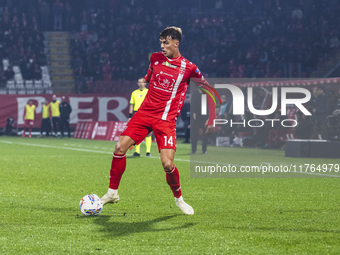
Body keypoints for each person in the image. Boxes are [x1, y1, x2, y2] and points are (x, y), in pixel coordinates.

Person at [101, 26, 216, 215]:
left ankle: (179, 199)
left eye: (166, 43)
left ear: (176, 43)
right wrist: (147, 81)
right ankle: (112, 193)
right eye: (161, 42)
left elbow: (209, 91)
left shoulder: (189, 68)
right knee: (120, 148)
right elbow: (148, 77)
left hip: (166, 120)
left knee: (168, 165)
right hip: (144, 114)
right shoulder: (155, 58)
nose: (162, 46)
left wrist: (211, 118)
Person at [129, 78, 152, 157]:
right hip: (137, 114)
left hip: (147, 113)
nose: (141, 83)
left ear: (145, 83)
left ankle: (148, 152)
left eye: (142, 82)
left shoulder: (149, 92)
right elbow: (131, 104)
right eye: (139, 82)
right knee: (137, 133)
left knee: (148, 133)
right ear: (137, 83)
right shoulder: (134, 93)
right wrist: (129, 116)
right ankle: (137, 152)